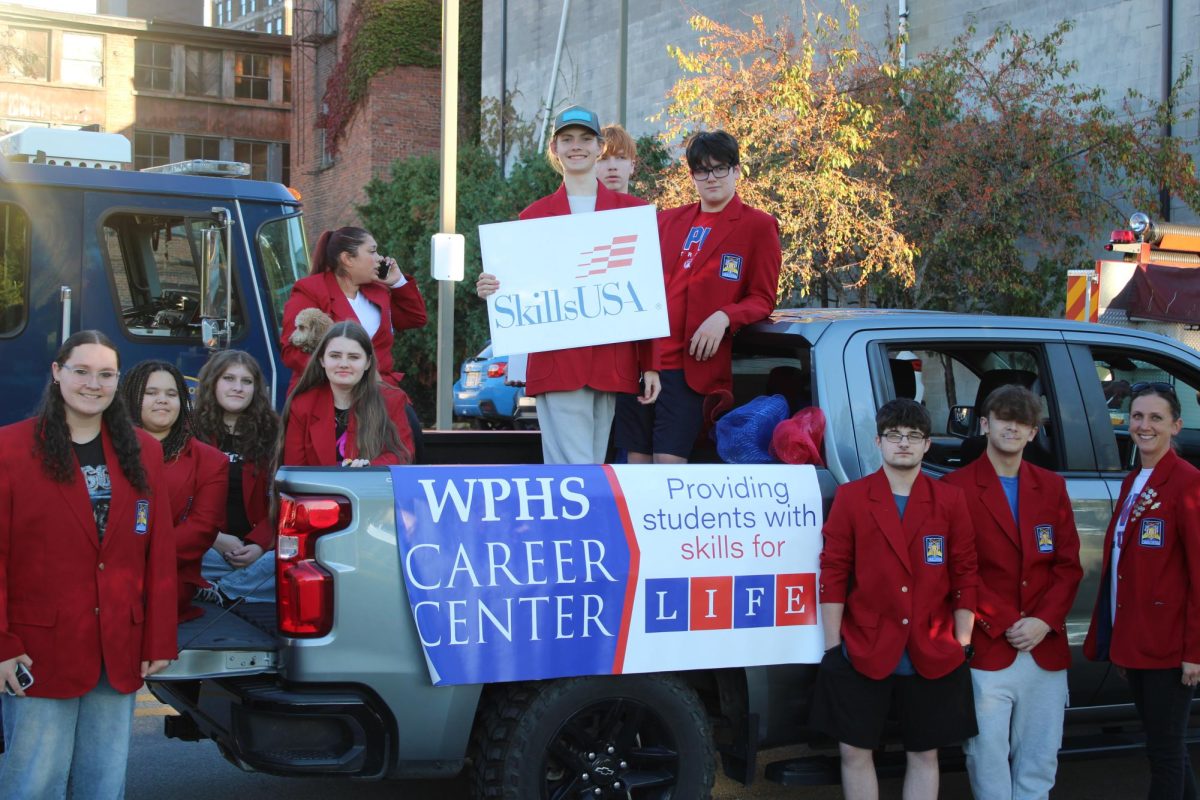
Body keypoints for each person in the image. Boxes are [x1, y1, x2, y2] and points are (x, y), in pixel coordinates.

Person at [0, 330, 175, 798]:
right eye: (81, 371)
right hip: (38, 648)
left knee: (104, 782)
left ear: (118, 381)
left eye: (105, 374)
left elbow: (158, 550)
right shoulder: (10, 448)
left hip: (117, 644)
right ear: (57, 373)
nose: (93, 384)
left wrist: (158, 637)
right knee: (35, 781)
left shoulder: (144, 451)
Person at [810, 398, 978, 800]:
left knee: (924, 753)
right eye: (894, 435)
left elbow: (965, 572)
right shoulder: (853, 497)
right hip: (862, 646)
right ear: (878, 442)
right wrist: (833, 648)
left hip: (932, 648)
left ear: (927, 444)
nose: (903, 443)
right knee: (854, 751)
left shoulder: (949, 500)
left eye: (914, 436)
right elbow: (833, 572)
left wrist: (962, 640)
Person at [476, 105, 648, 465]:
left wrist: (651, 364)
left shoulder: (632, 212)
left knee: (586, 466)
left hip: (611, 364)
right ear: (554, 148)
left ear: (599, 146)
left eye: (585, 138)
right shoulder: (533, 216)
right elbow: (521, 289)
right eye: (567, 139)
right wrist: (494, 287)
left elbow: (647, 294)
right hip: (557, 364)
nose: (576, 146)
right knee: (579, 468)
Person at [942, 384, 1082, 800]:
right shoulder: (954, 487)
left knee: (1040, 755)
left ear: (1033, 432)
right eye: (1004, 419)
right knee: (986, 754)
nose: (1012, 428)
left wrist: (1043, 621)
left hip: (1044, 644)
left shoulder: (1051, 487)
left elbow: (1068, 566)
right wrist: (1003, 621)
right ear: (985, 424)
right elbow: (958, 568)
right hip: (988, 644)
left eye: (1022, 422)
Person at [614, 130, 781, 463]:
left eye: (720, 168)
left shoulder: (758, 226)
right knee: (636, 466)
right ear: (692, 176)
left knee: (668, 465)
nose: (711, 177)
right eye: (702, 170)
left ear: (736, 170)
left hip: (689, 368)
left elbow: (763, 298)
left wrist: (725, 316)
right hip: (643, 361)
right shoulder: (665, 221)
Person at [1084, 382, 1200, 799]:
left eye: (1155, 418)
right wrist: (1120, 640)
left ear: (1176, 426)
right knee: (1167, 749)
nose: (1144, 425)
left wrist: (1194, 652)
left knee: (1164, 753)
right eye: (1137, 416)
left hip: (1169, 645)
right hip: (1137, 641)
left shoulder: (1188, 483)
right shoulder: (1134, 480)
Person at [121, 360, 228, 623]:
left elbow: (202, 528)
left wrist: (143, 558)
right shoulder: (108, 448)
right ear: (131, 398)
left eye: (171, 394)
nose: (163, 400)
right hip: (107, 571)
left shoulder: (211, 461)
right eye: (151, 393)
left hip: (168, 578)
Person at [280, 226, 427, 395]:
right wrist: (345, 375)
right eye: (372, 251)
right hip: (328, 394)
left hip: (379, 393)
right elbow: (291, 352)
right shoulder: (311, 290)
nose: (380, 258)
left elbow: (415, 318)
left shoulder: (378, 290)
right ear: (348, 259)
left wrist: (398, 282)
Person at [192, 350, 280, 606]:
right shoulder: (190, 431)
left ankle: (220, 589)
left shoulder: (275, 433)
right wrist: (215, 538)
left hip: (258, 550)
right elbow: (179, 502)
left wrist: (259, 545)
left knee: (289, 561)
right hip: (208, 547)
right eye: (229, 378)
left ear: (256, 389)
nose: (238, 388)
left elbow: (284, 500)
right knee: (174, 551)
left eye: (246, 381)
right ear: (213, 383)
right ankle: (244, 585)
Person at [283, 321, 415, 467]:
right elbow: (294, 471)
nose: (344, 364)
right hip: (317, 484)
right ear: (322, 360)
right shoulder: (302, 405)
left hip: (371, 482)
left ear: (368, 363)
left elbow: (402, 455)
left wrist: (369, 469)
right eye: (335, 356)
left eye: (353, 357)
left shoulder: (392, 400)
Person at [596, 123, 637, 194]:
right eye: (603, 158)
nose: (612, 166)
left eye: (621, 157)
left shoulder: (641, 203)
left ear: (632, 165)